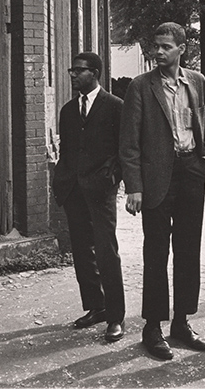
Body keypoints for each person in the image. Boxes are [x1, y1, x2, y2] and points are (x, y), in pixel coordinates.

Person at [119, 22, 205, 360]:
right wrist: (135, 187)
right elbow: (129, 143)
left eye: (165, 47)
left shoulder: (198, 82)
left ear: (181, 49)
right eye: (155, 46)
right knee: (156, 254)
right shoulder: (141, 87)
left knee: (189, 251)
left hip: (190, 173)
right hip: (157, 181)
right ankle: (152, 328)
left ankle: (182, 323)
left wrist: (203, 160)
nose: (158, 52)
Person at [52, 52, 125, 342]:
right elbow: (67, 150)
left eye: (78, 70)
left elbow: (124, 149)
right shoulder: (68, 111)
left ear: (94, 73)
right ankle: (96, 306)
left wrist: (111, 178)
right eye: (71, 70)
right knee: (82, 251)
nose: (72, 75)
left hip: (100, 190)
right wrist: (63, 181)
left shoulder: (115, 107)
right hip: (74, 191)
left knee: (107, 251)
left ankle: (116, 317)